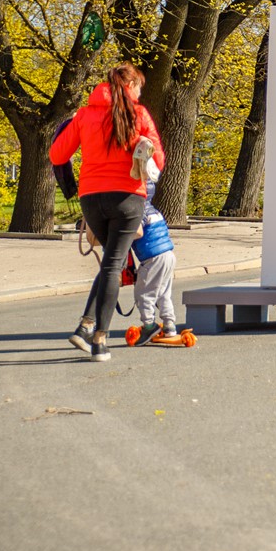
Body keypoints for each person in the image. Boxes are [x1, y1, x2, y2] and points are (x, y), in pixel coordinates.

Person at [50, 63, 166, 362]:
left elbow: (57, 154)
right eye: (139, 87)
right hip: (127, 197)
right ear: (131, 86)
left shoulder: (84, 115)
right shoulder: (139, 115)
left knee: (111, 265)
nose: (140, 92)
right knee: (114, 265)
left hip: (91, 198)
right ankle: (100, 340)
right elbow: (159, 162)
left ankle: (86, 327)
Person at [125, 181, 179, 345]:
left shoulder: (137, 211)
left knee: (143, 294)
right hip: (168, 255)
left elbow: (137, 233)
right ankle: (169, 325)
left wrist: (118, 236)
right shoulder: (153, 210)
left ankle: (149, 325)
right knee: (163, 293)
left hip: (152, 258)